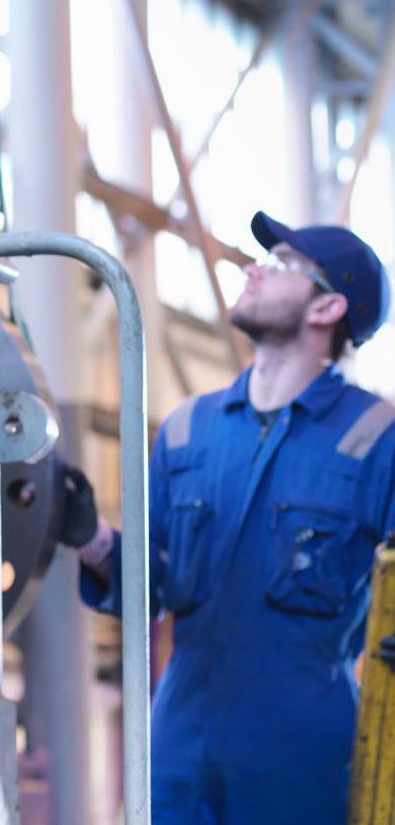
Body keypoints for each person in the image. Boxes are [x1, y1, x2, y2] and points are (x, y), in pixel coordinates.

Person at [58, 211, 395, 824]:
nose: (252, 269)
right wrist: (89, 536)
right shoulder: (190, 428)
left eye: (282, 264)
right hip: (181, 749)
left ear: (327, 309)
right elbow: (154, 586)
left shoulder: (377, 437)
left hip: (303, 762)